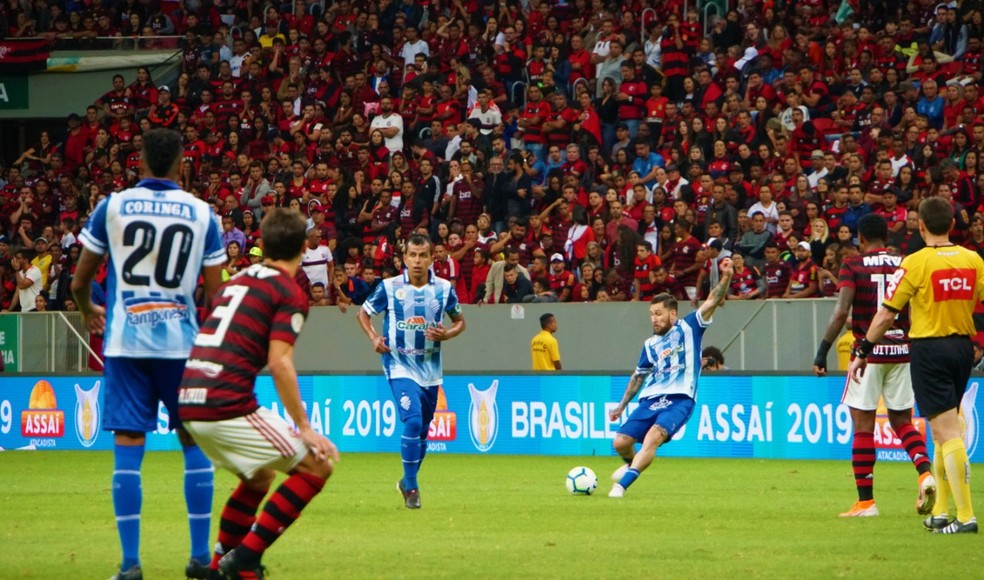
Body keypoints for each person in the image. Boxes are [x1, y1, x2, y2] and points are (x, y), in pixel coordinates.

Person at [70, 128, 227, 580]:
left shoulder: (112, 206)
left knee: (128, 446)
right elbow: (216, 294)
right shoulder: (202, 213)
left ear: (139, 162)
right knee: (192, 441)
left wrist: (88, 311)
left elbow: (80, 282)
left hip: (124, 343)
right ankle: (200, 559)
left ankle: (130, 564)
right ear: (182, 164)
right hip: (182, 345)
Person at [178, 208, 339, 578]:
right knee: (318, 465)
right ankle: (243, 558)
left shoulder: (234, 281)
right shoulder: (289, 291)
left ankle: (218, 565)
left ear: (262, 244)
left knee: (260, 477)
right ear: (303, 247)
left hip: (188, 398)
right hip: (224, 403)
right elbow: (280, 362)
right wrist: (305, 426)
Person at [848, 197, 982, 535]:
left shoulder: (916, 262)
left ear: (921, 226)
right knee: (941, 429)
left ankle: (965, 517)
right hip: (962, 348)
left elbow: (887, 312)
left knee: (946, 431)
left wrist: (864, 349)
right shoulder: (973, 259)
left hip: (929, 349)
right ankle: (940, 512)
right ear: (952, 225)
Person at [813, 214, 933, 518]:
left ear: (860, 238)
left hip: (867, 354)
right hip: (903, 351)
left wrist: (822, 351)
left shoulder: (852, 265)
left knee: (863, 427)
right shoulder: (906, 262)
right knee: (902, 421)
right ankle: (925, 474)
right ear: (887, 238)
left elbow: (841, 314)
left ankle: (866, 502)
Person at [608, 257, 734, 498]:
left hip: (679, 399)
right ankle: (631, 465)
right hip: (650, 400)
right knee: (620, 443)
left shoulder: (689, 327)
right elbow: (638, 377)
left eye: (658, 313)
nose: (654, 318)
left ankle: (621, 486)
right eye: (651, 314)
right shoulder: (650, 345)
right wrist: (622, 405)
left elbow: (713, 300)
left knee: (654, 437)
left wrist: (727, 276)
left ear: (673, 314)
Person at [357, 233, 466, 509]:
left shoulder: (443, 289)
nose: (417, 261)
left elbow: (460, 321)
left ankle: (407, 480)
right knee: (414, 421)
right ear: (405, 258)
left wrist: (449, 335)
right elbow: (364, 313)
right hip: (398, 364)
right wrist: (373, 338)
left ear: (432, 258)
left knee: (423, 433)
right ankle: (413, 489)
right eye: (412, 255)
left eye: (423, 256)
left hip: (430, 368)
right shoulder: (389, 287)